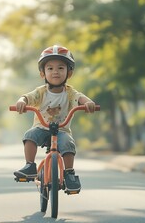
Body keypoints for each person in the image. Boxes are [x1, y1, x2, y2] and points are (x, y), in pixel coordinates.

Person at [13, 45, 96, 192]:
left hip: (62, 130)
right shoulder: (41, 92)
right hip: (41, 128)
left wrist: (88, 103)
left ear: (69, 73)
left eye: (61, 68)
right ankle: (30, 165)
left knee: (68, 143)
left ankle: (69, 173)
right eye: (50, 68)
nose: (55, 72)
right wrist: (21, 102)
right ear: (42, 73)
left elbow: (81, 98)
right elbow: (27, 97)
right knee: (30, 135)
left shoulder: (70, 93)